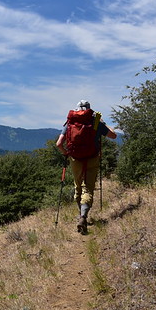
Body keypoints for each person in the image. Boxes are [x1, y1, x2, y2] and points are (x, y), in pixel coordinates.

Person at [55, 100, 117, 234]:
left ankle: (80, 214)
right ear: (89, 110)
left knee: (78, 186)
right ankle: (83, 216)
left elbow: (59, 143)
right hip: (92, 158)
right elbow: (113, 136)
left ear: (77, 110)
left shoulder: (70, 122)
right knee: (88, 189)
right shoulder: (95, 122)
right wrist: (105, 125)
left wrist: (66, 153)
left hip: (75, 159)